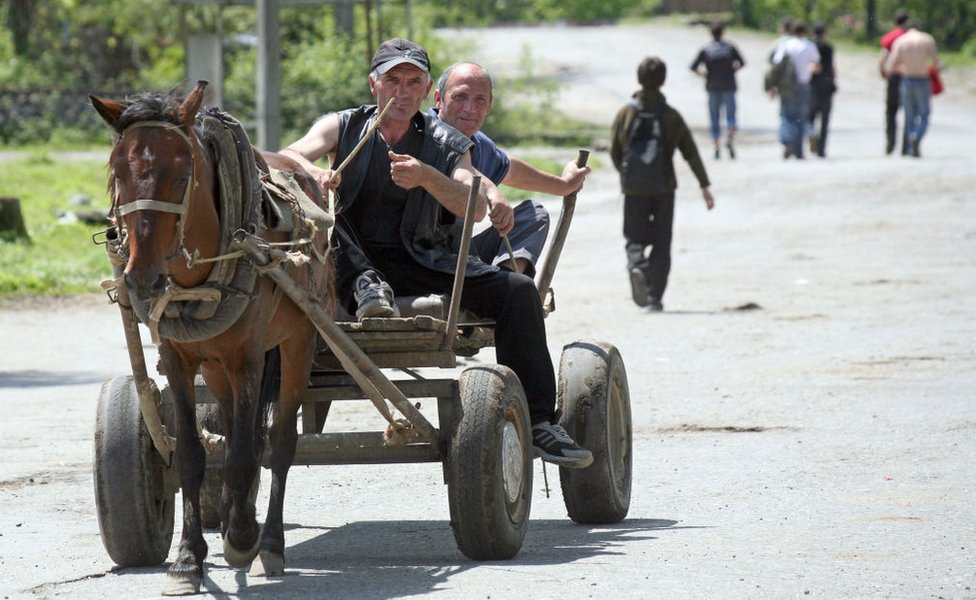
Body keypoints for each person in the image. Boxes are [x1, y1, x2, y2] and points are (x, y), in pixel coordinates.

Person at [279, 38, 593, 468]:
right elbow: (289, 154)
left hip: (425, 262)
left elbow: (474, 202)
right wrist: (311, 169)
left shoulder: (447, 141)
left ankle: (539, 421)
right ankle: (367, 287)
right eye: (392, 80)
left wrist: (428, 176)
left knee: (519, 292)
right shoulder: (344, 126)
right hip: (349, 267)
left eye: (412, 82)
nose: (401, 91)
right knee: (329, 221)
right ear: (374, 84)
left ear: (427, 92)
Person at [430, 61, 590, 276]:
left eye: (480, 100)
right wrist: (492, 192)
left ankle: (507, 281)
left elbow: (510, 169)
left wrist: (564, 185)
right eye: (460, 97)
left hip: (460, 255)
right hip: (423, 257)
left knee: (534, 215)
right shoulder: (424, 134)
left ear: (489, 106)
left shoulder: (478, 143)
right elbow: (461, 169)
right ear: (439, 99)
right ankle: (506, 290)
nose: (470, 109)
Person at [610, 56, 715, 312]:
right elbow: (690, 151)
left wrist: (627, 177)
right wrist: (704, 185)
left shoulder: (626, 113)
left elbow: (615, 150)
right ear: (664, 81)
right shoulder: (671, 116)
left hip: (634, 188)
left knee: (634, 236)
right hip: (664, 187)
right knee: (662, 240)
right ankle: (655, 296)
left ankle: (637, 266)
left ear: (638, 79)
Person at [884, 20, 940, 158]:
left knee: (910, 115)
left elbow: (890, 66)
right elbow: (936, 63)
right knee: (924, 113)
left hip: (907, 79)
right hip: (922, 79)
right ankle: (917, 136)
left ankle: (909, 146)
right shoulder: (927, 39)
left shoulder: (901, 41)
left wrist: (903, 68)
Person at [690, 21, 745, 160]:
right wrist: (732, 70)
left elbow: (693, 66)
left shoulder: (706, 49)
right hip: (729, 85)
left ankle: (716, 145)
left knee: (714, 117)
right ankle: (730, 138)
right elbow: (742, 62)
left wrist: (704, 74)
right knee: (730, 116)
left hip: (712, 86)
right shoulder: (730, 48)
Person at [771, 21, 821, 159]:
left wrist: (773, 87)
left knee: (786, 116)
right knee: (802, 117)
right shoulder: (809, 46)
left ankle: (788, 142)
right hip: (803, 85)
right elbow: (817, 66)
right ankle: (803, 144)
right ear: (805, 31)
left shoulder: (785, 45)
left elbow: (776, 66)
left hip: (786, 87)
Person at [880, 10, 910, 155]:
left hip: (893, 76)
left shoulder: (890, 37)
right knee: (909, 112)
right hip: (908, 76)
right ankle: (906, 146)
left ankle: (890, 144)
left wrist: (882, 71)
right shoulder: (910, 37)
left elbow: (883, 57)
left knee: (891, 112)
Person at [807, 21, 836, 158]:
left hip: (812, 85)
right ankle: (821, 149)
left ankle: (811, 134)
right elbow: (832, 68)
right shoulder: (829, 48)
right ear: (824, 33)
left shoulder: (809, 46)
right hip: (827, 85)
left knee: (810, 116)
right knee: (825, 119)